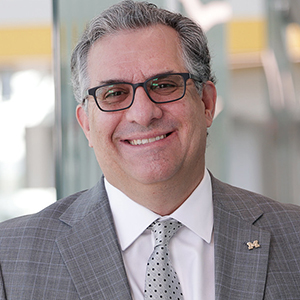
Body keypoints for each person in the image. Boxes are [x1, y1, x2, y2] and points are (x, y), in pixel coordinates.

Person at [0, 1, 300, 299]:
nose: (143, 114)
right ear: (86, 125)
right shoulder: (10, 258)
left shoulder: (294, 237)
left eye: (164, 85)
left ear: (207, 103)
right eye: (114, 93)